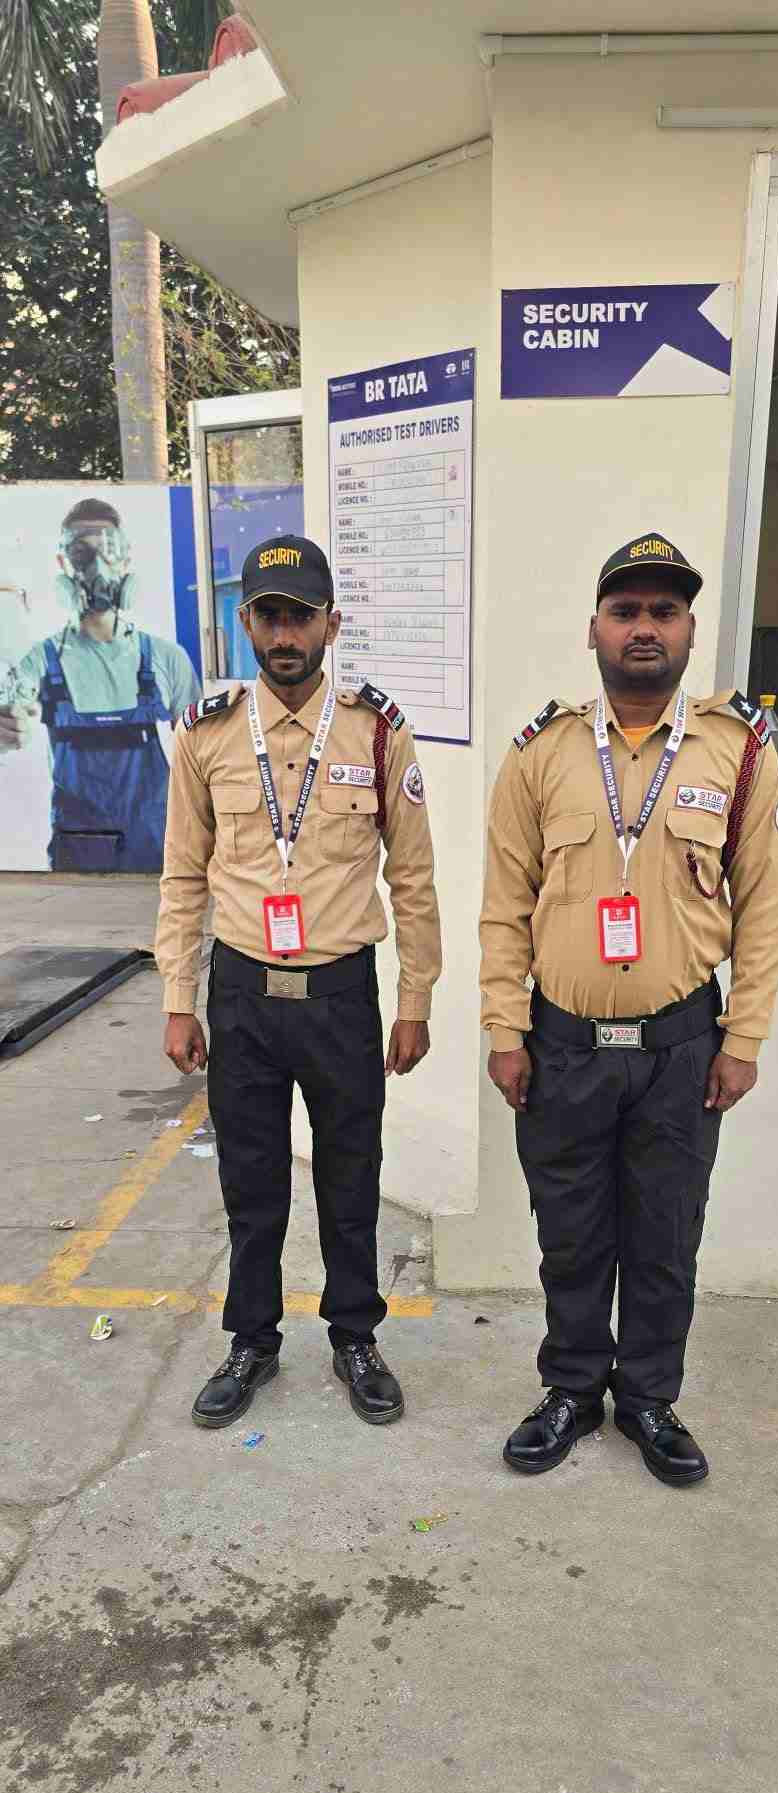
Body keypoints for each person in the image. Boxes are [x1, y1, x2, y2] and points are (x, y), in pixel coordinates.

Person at [480, 533, 778, 1485]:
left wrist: (744, 1037)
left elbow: (766, 906)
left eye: (664, 611)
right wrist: (504, 1028)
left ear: (690, 629)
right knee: (571, 1233)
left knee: (664, 1237)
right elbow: (504, 903)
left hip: (681, 1050)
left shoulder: (739, 753)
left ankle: (649, 1397)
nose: (644, 627)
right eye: (626, 611)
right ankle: (573, 1388)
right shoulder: (541, 754)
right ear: (594, 630)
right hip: (563, 1045)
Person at [155, 535, 442, 1431]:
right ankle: (252, 1340)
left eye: (301, 617)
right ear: (247, 623)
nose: (286, 635)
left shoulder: (378, 731)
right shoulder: (206, 732)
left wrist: (416, 1001)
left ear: (332, 624)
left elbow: (414, 877)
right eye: (270, 616)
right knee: (252, 1183)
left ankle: (355, 1338)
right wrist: (178, 998)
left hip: (340, 997)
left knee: (351, 1179)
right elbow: (183, 875)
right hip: (242, 994)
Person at [0, 498, 199, 871]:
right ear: (63, 564)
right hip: (77, 857)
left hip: (158, 852)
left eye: (109, 549)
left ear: (126, 559)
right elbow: (9, 726)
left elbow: (203, 761)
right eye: (82, 552)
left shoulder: (167, 659)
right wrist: (7, 731)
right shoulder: (39, 662)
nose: (98, 565)